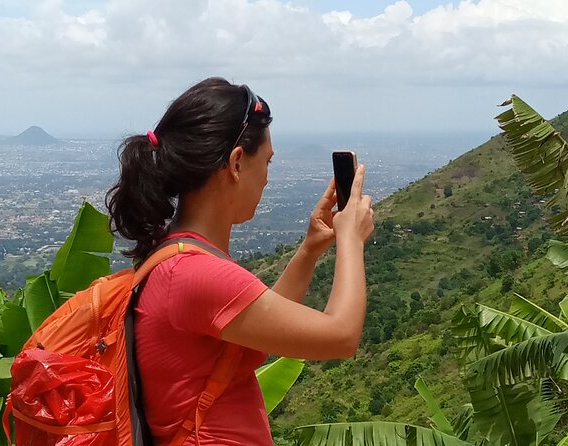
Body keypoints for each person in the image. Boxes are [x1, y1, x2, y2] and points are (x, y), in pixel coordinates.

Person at [105, 77, 374, 446]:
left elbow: (257, 340)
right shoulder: (193, 274)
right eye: (267, 162)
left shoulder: (178, 257)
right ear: (235, 163)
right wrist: (351, 239)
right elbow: (341, 337)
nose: (267, 178)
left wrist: (310, 250)